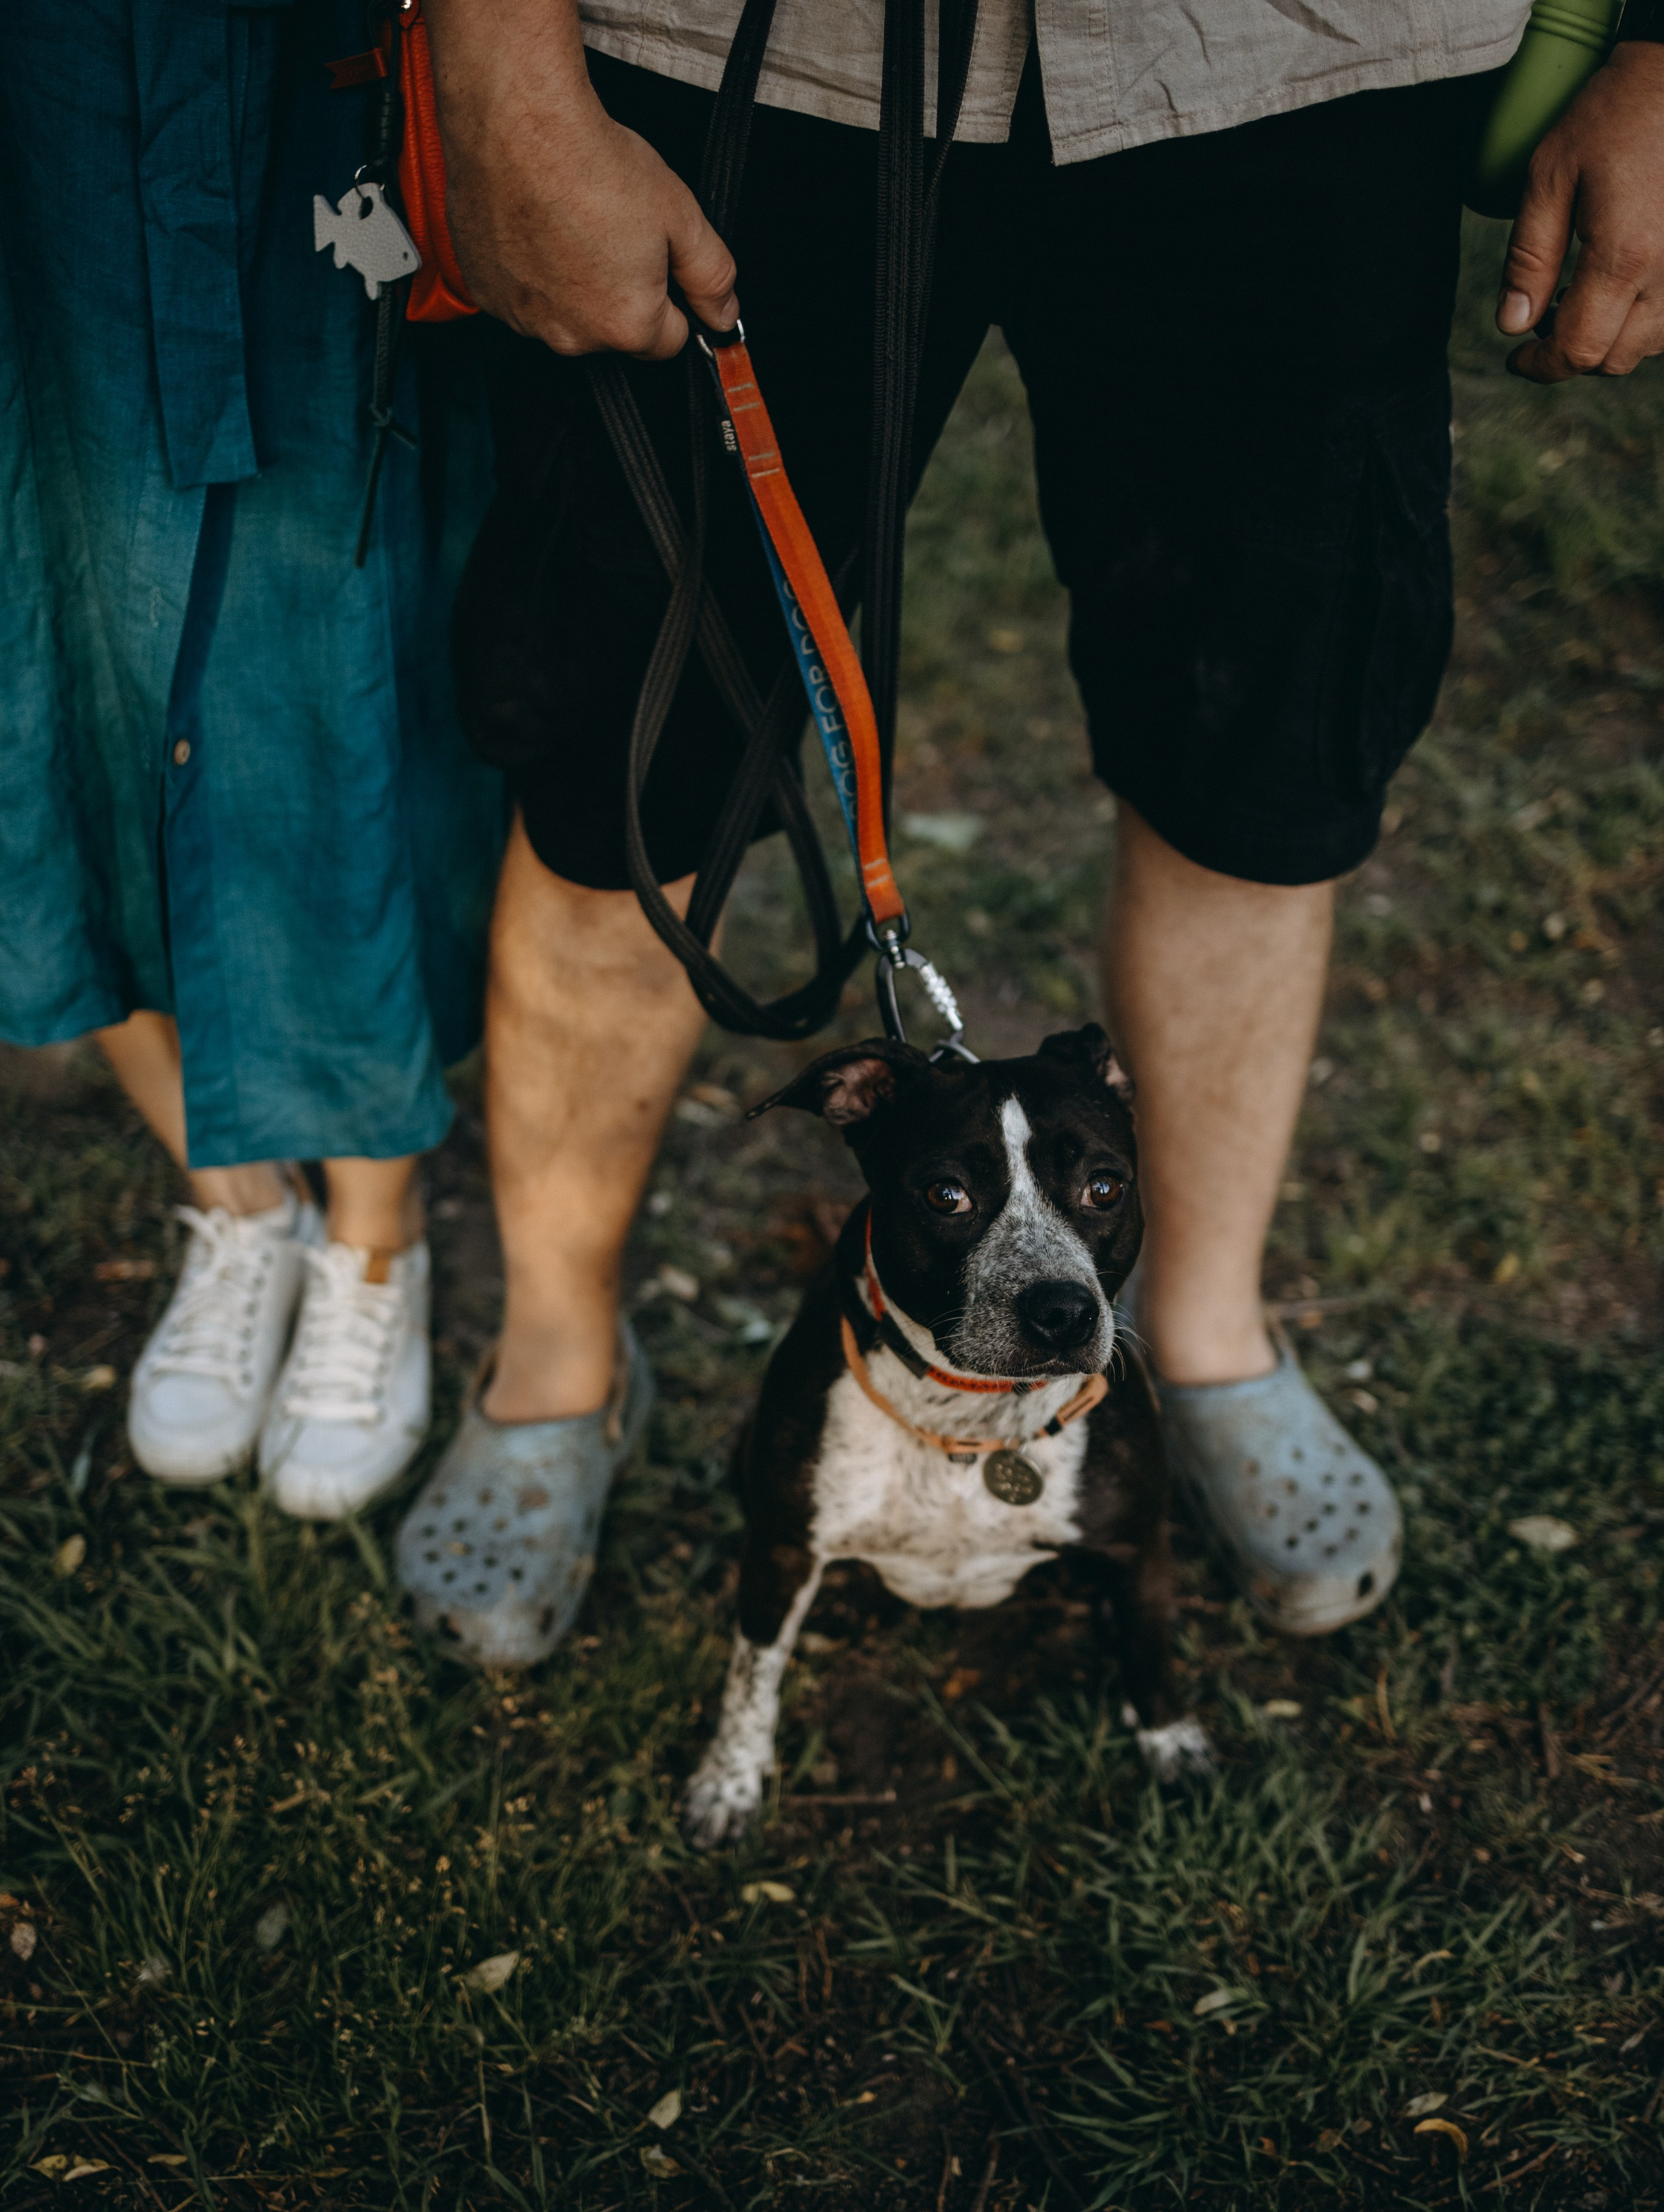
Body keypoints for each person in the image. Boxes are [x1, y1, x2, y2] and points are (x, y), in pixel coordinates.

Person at [387, 0, 1664, 1663]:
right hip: (745, 49)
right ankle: (554, 1365)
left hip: (1298, 59)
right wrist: (503, 67)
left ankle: (1196, 1337)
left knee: (1260, 757)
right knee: (628, 754)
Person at [0, 3, 504, 1517]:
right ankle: (238, 1204)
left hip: (302, 70)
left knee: (315, 667)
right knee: (35, 657)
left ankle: (371, 1237)